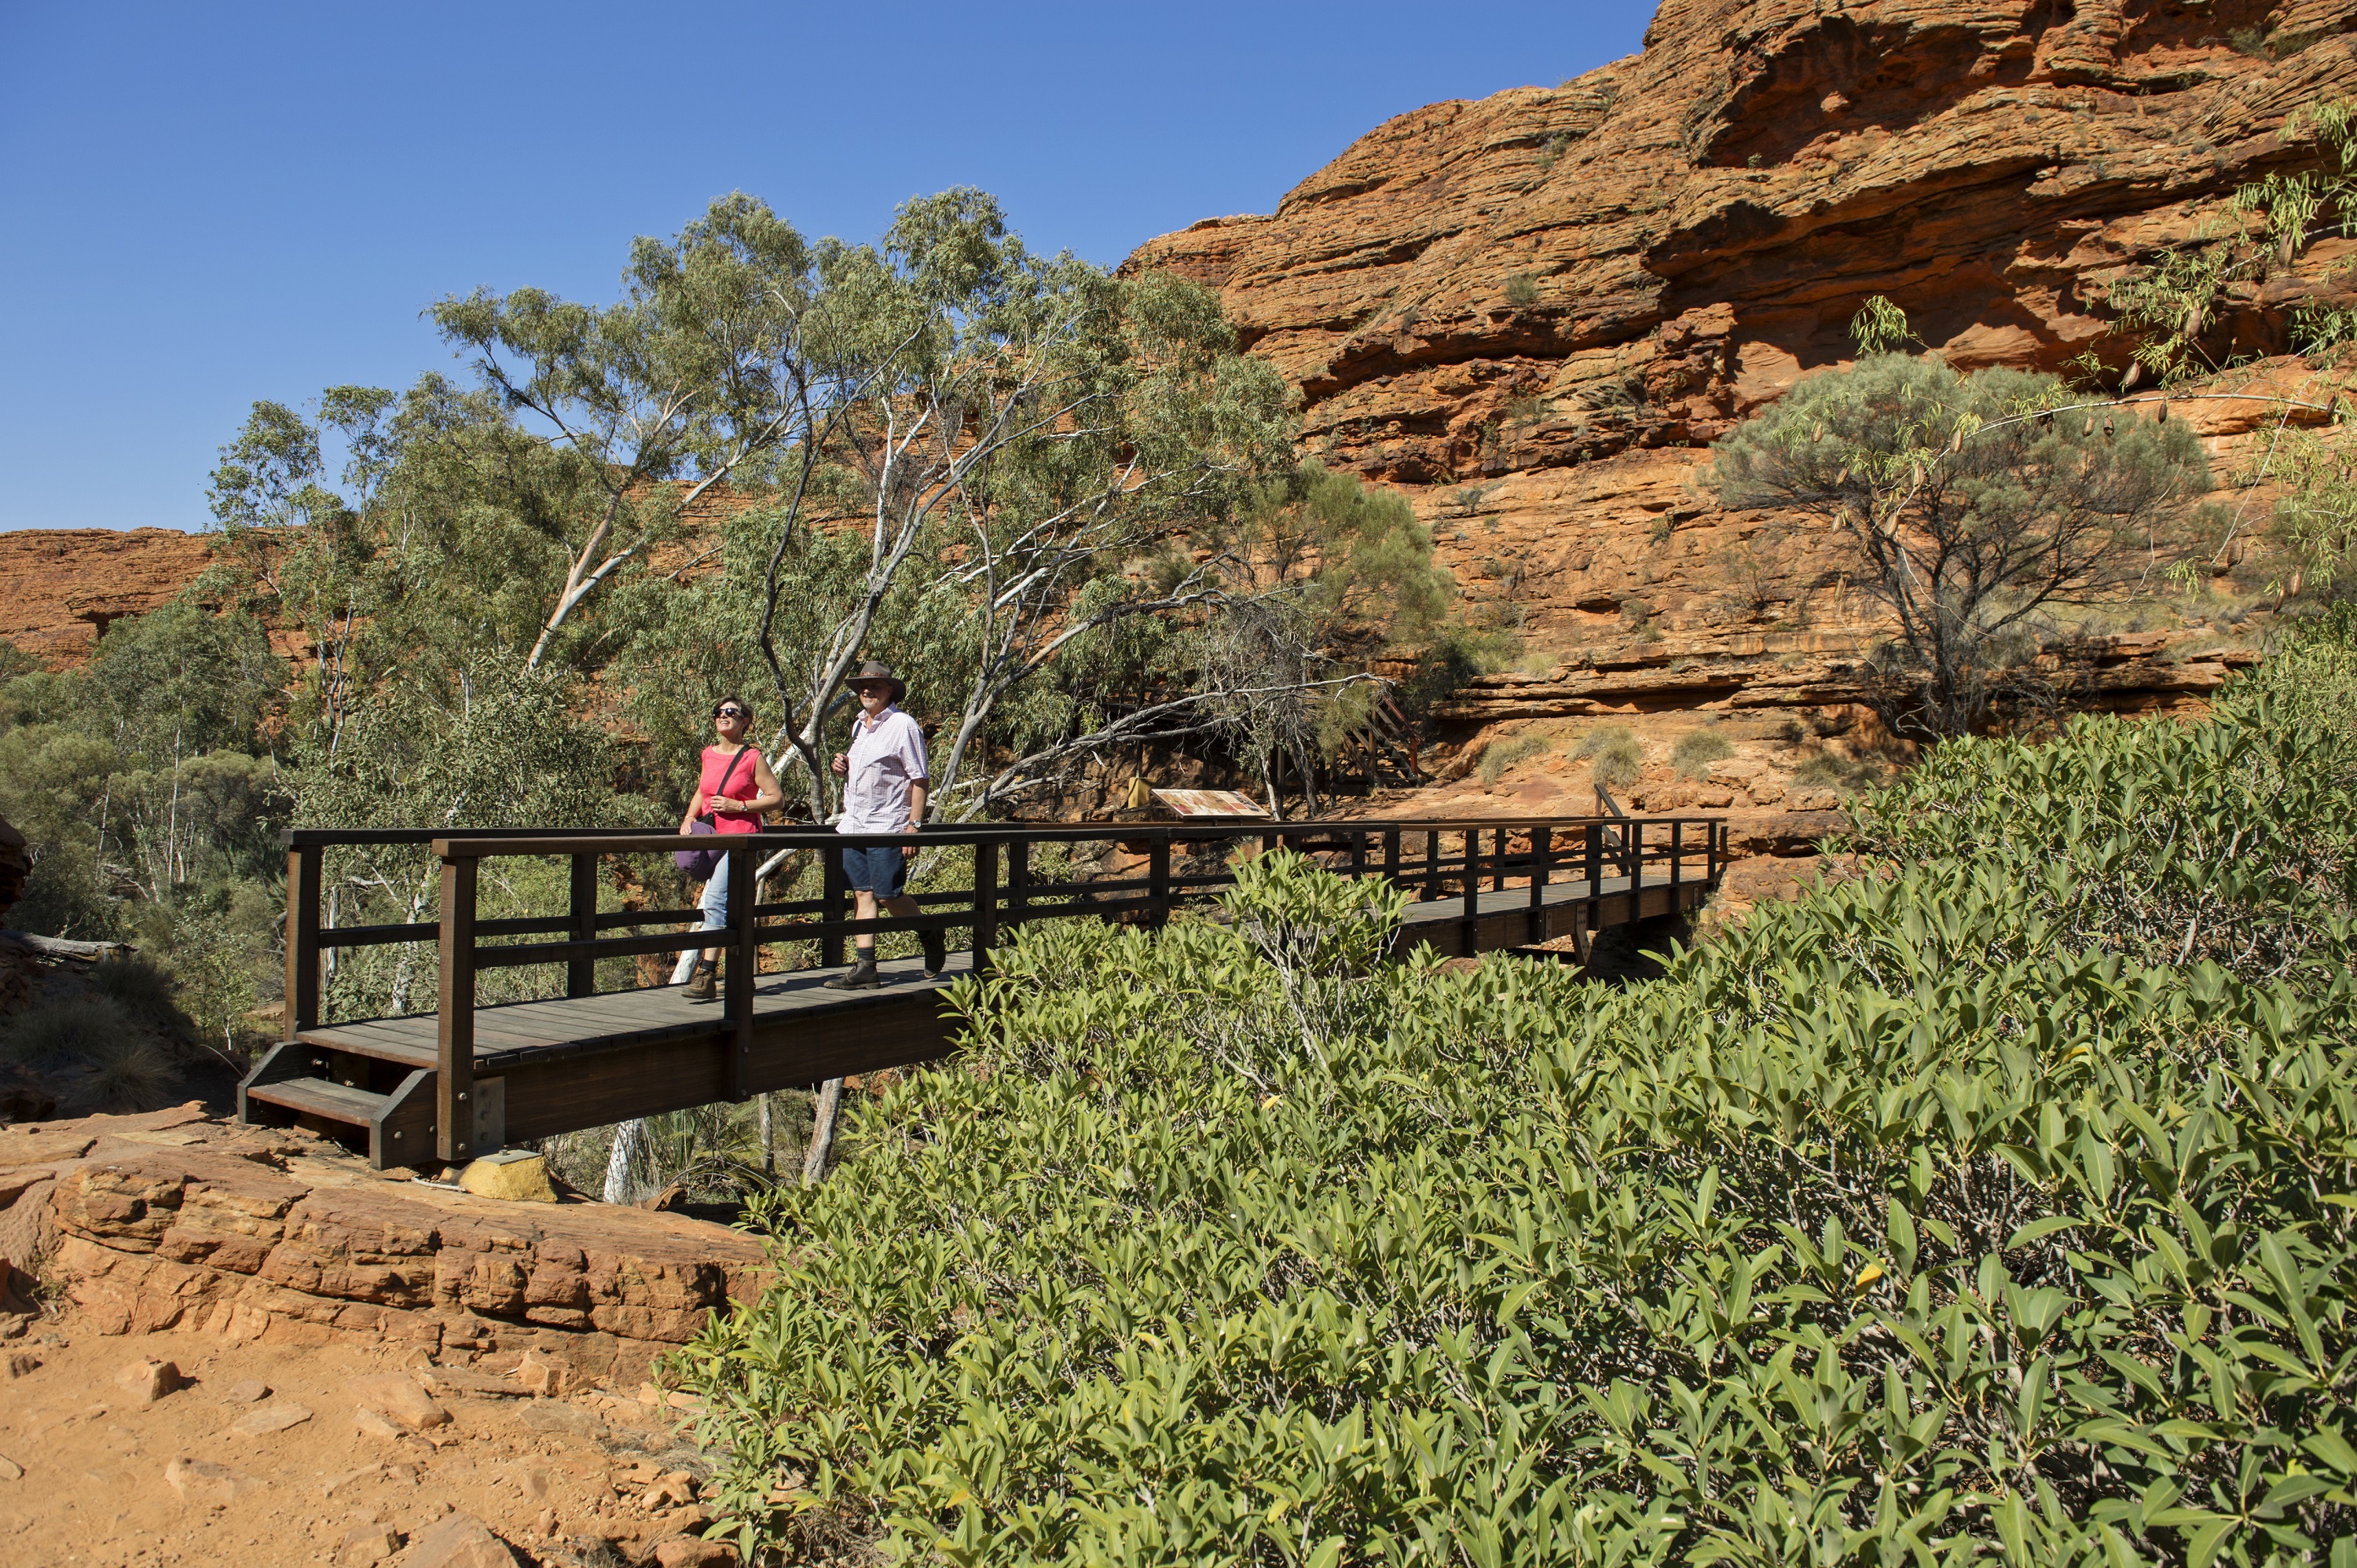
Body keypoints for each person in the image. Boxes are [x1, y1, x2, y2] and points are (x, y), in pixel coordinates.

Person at [823, 661, 942, 990]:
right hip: (854, 825)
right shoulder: (859, 726)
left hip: (888, 825)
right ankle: (866, 968)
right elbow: (866, 773)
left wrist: (914, 826)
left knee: (889, 895)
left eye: (875, 685)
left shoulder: (903, 725)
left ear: (889, 690)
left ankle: (930, 933)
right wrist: (842, 766)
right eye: (862, 686)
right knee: (863, 894)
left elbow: (919, 778)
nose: (867, 690)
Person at [676, 697, 783, 1003]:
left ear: (745, 721)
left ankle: (707, 973)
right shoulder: (708, 755)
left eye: (731, 712)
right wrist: (689, 817)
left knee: (714, 900)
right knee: (734, 908)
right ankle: (743, 977)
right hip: (711, 838)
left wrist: (741, 805)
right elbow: (703, 789)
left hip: (740, 841)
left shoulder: (752, 758)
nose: (724, 716)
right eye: (719, 712)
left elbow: (777, 799)